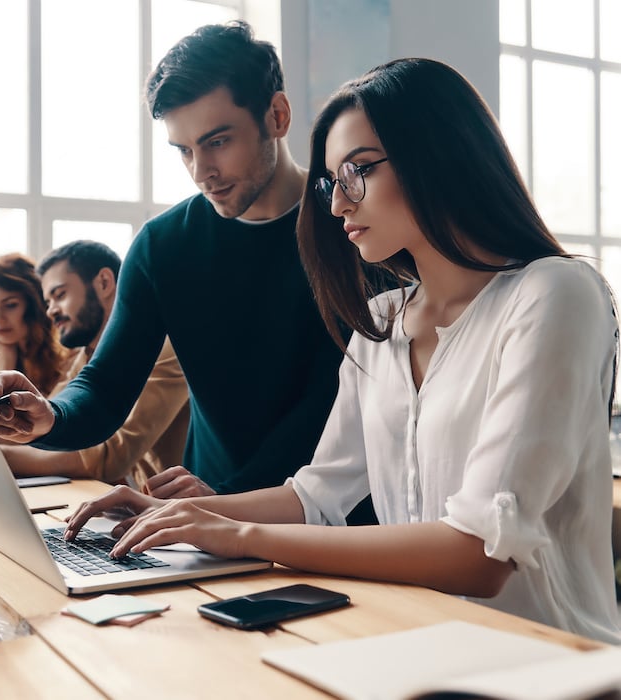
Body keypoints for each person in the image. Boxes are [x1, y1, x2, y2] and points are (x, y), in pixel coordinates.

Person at [57, 58, 621, 643]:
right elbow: (316, 494)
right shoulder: (382, 321)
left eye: (360, 172)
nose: (336, 205)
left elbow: (479, 554)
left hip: (549, 661)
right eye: (332, 181)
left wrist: (237, 535)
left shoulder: (555, 293)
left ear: (438, 153)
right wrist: (181, 518)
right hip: (417, 642)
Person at [0, 22, 367, 513]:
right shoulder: (162, 246)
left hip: (333, 523)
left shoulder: (354, 227)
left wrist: (230, 501)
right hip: (200, 518)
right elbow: (106, 385)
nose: (200, 170)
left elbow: (336, 404)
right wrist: (49, 416)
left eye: (218, 142)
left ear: (277, 115)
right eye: (184, 150)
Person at [0, 240, 191, 492]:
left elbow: (108, 458)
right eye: (48, 300)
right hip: (140, 504)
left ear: (104, 283)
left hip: (186, 511)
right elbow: (36, 432)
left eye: (60, 294)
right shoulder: (84, 359)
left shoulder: (161, 350)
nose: (51, 309)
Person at [0, 252, 68, 397]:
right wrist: (6, 354)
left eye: (10, 305)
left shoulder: (67, 359)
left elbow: (51, 417)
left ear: (34, 305)